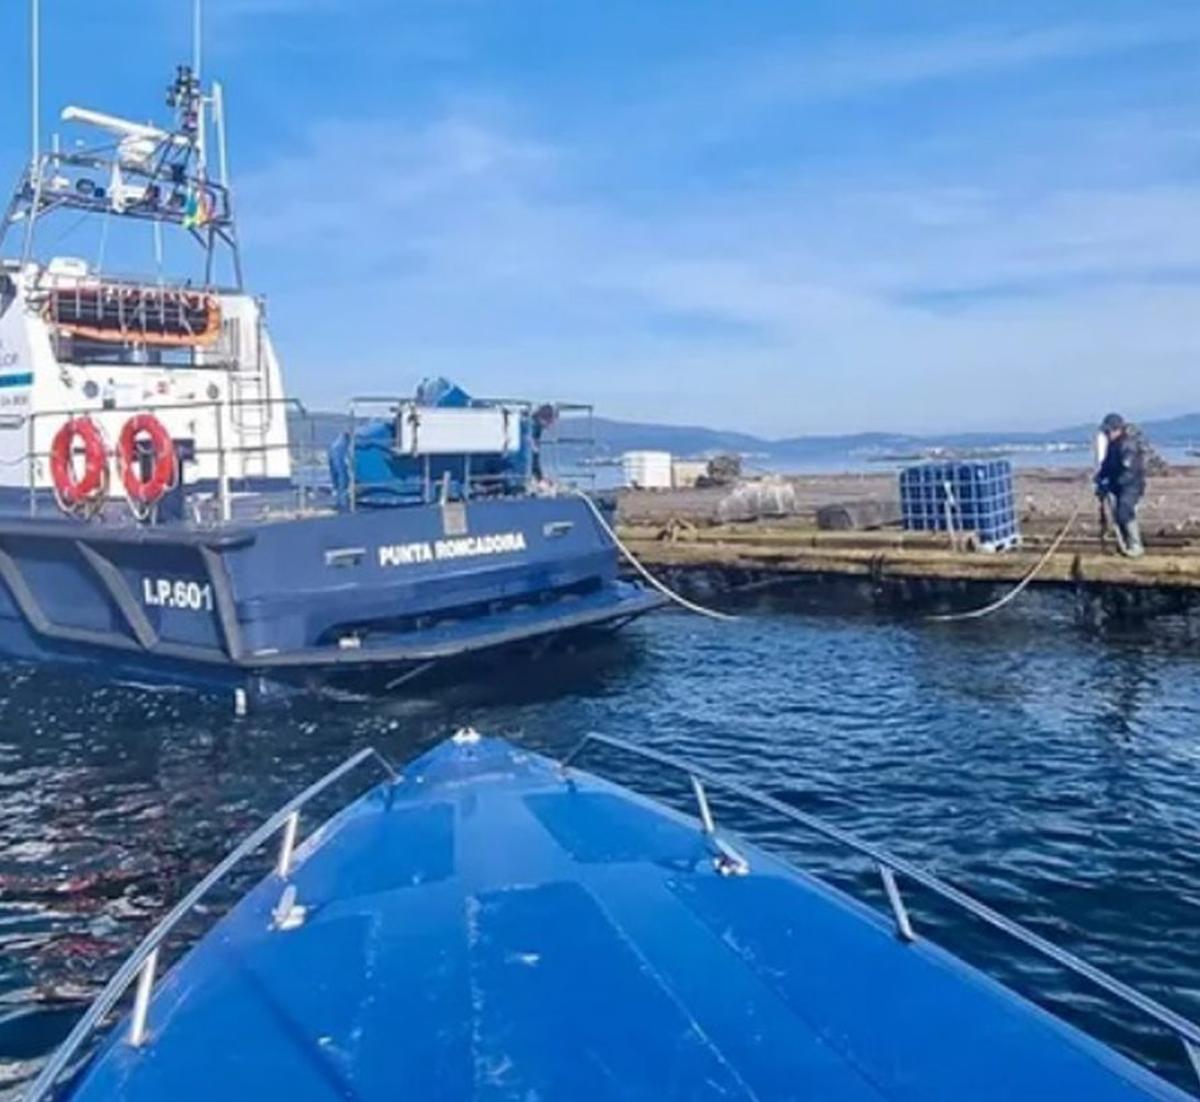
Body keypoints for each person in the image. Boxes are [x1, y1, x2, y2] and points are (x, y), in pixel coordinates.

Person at [1094, 413, 1147, 558]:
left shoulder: (1128, 445)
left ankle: (1136, 545)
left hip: (1131, 485)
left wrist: (1111, 483)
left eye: (1108, 431)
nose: (1106, 434)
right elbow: (1107, 465)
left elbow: (1129, 471)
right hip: (1118, 484)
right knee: (1117, 515)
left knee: (1125, 512)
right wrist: (1100, 477)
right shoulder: (1113, 445)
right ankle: (1124, 545)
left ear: (1117, 429)